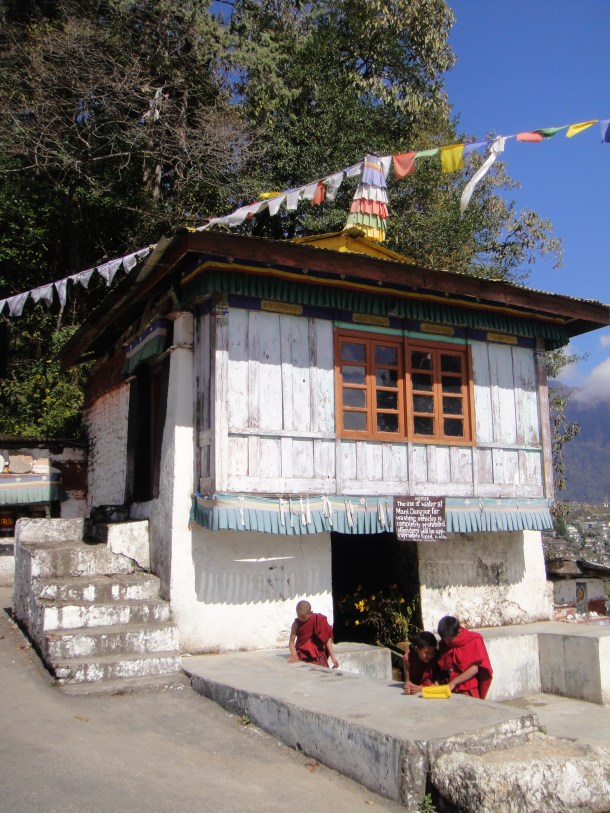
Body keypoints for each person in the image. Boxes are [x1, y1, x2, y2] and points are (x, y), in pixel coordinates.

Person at [436, 615, 493, 699]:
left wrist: (454, 682)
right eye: (445, 641)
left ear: (458, 632)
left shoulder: (472, 639)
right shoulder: (444, 643)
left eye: (450, 641)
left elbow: (475, 668)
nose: (447, 643)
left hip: (467, 687)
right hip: (448, 686)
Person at [288, 600, 339, 668]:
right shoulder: (296, 624)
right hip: (303, 656)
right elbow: (291, 642)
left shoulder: (318, 620)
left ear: (310, 613)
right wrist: (294, 654)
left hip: (319, 656)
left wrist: (333, 657)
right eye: (298, 616)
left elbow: (326, 639)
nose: (300, 619)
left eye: (303, 617)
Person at [402, 631, 439, 695]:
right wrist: (409, 687)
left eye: (432, 653)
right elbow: (408, 682)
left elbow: (437, 684)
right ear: (416, 649)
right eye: (426, 653)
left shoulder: (437, 657)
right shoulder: (408, 659)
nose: (430, 656)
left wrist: (421, 688)